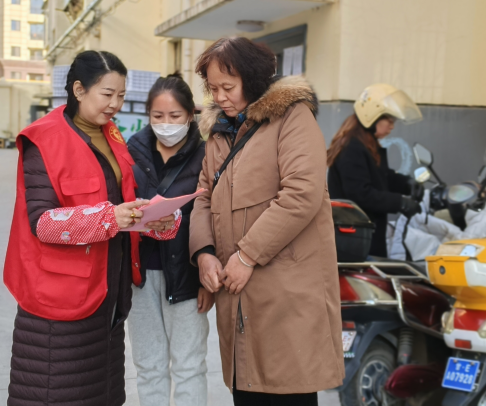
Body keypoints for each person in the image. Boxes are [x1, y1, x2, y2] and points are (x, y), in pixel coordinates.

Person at [3, 50, 180, 406]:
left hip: (107, 294)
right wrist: (110, 217)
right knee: (58, 395)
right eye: (107, 94)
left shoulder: (110, 135)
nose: (115, 104)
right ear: (79, 90)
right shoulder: (44, 139)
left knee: (102, 395)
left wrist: (149, 218)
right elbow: (42, 223)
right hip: (61, 299)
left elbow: (119, 201)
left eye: (121, 95)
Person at [189, 36, 344, 406]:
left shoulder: (292, 117)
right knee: (247, 387)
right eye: (213, 89)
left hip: (285, 295)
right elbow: (203, 196)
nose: (220, 97)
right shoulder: (219, 132)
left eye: (228, 87)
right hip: (237, 295)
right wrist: (204, 252)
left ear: (253, 79)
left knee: (287, 388)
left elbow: (302, 193)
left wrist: (246, 256)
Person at [127, 73, 212, 406]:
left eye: (175, 116)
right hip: (141, 275)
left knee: (189, 366)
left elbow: (214, 216)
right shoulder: (131, 152)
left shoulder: (207, 155)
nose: (166, 124)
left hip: (187, 275)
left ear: (190, 114)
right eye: (158, 115)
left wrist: (207, 279)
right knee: (149, 366)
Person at [326, 84, 425, 258]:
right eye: (389, 121)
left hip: (363, 235)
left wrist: (407, 184)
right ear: (372, 116)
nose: (392, 127)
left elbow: (381, 176)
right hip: (353, 239)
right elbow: (361, 194)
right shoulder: (352, 148)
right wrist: (400, 203)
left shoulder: (366, 144)